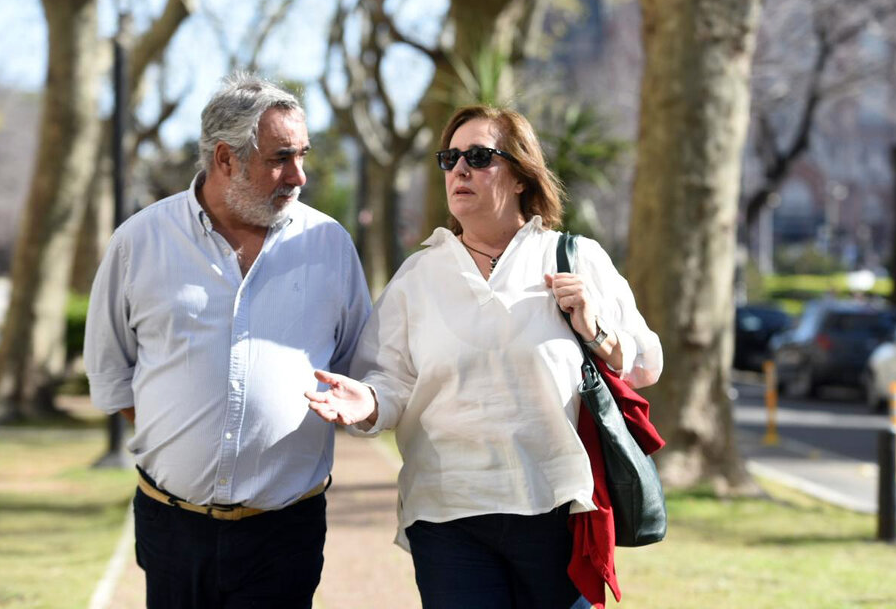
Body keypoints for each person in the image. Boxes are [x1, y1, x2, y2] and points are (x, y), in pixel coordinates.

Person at [306, 105, 662, 609]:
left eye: (478, 156)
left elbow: (648, 364)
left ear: (520, 175)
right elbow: (389, 382)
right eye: (449, 158)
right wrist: (365, 401)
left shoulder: (575, 257)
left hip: (555, 508)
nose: (459, 170)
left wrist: (596, 328)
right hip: (447, 513)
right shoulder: (418, 275)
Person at [83, 73, 372, 609]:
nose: (299, 176)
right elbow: (112, 374)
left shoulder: (330, 244)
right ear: (225, 158)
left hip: (286, 530)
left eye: (303, 155)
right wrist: (186, 434)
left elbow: (362, 366)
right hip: (172, 527)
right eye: (281, 158)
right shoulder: (138, 242)